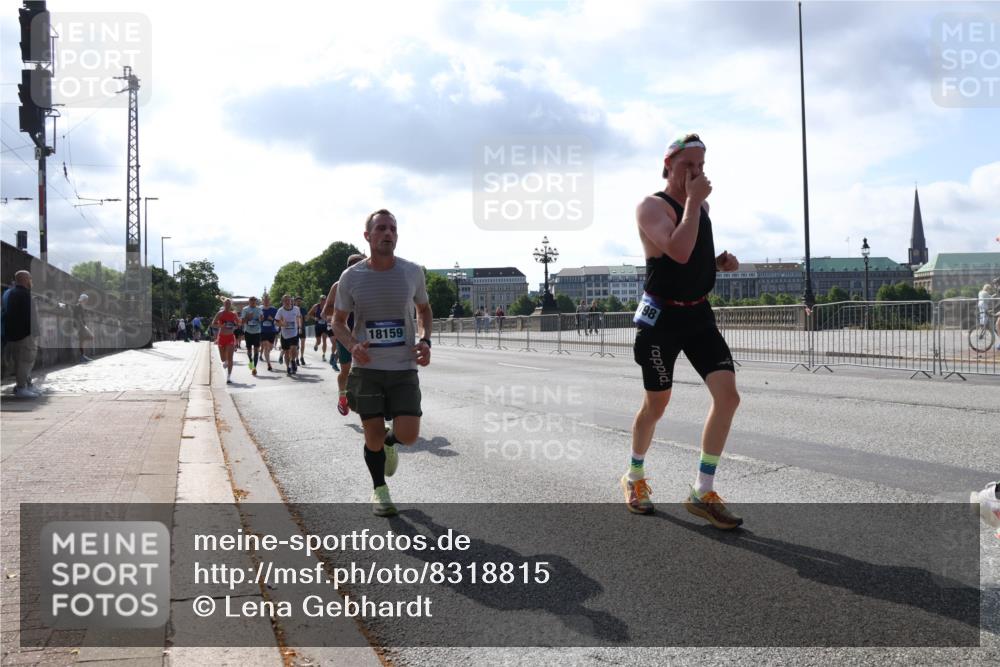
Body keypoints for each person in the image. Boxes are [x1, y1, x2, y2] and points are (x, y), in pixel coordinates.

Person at [624, 133, 742, 529]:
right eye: (687, 166)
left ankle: (701, 490)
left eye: (701, 167)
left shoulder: (701, 205)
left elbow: (692, 254)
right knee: (656, 406)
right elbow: (675, 250)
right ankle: (635, 475)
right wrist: (692, 202)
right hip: (662, 321)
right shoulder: (650, 206)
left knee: (728, 397)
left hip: (697, 316)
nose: (696, 173)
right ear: (668, 166)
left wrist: (716, 263)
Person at [331, 210, 432, 517]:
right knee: (371, 434)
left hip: (403, 367)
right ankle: (380, 490)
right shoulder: (351, 277)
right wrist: (352, 345)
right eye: (381, 228)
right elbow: (337, 321)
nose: (388, 233)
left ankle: (391, 443)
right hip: (368, 369)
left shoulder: (412, 272)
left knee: (410, 434)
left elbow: (424, 310)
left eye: (393, 229)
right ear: (368, 236)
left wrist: (425, 340)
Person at [323, 253, 367, 414]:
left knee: (370, 372)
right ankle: (343, 397)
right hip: (346, 334)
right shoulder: (339, 285)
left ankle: (372, 411)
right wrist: (339, 314)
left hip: (367, 334)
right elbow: (326, 311)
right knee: (346, 370)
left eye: (363, 263)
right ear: (348, 267)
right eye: (356, 264)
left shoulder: (372, 283)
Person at [4, 271, 40, 397]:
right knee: (25, 361)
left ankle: (26, 385)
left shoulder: (10, 293)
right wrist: (35, 333)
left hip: (12, 334)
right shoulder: (24, 294)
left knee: (20, 362)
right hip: (25, 335)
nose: (31, 281)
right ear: (26, 280)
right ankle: (21, 388)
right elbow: (29, 317)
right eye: (30, 279)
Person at [211, 299, 239, 384]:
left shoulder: (233, 314)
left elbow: (238, 324)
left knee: (230, 358)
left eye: (229, 303)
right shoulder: (220, 313)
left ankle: (229, 377)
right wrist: (220, 325)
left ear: (231, 305)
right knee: (223, 359)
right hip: (221, 337)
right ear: (223, 304)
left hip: (230, 337)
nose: (227, 305)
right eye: (226, 303)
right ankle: (225, 361)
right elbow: (213, 324)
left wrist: (235, 326)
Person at [275, 294, 302, 376]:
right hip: (285, 334)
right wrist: (283, 324)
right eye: (285, 300)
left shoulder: (296, 309)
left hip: (294, 333)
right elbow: (276, 322)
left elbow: (298, 318)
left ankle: (293, 361)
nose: (287, 302)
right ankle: (288, 367)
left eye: (289, 300)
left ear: (291, 301)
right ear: (282, 302)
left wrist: (300, 327)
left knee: (294, 348)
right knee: (286, 352)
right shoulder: (280, 310)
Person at [241, 296, 264, 376]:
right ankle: (250, 362)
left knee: (256, 350)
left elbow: (262, 319)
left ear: (256, 302)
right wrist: (248, 317)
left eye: (254, 301)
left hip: (257, 332)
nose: (253, 302)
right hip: (248, 332)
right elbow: (242, 322)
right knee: (249, 351)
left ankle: (254, 368)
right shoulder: (245, 309)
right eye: (251, 301)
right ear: (249, 302)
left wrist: (261, 318)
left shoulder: (259, 309)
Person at [259, 293, 278, 372]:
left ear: (269, 301)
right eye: (265, 300)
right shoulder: (259, 309)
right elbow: (257, 319)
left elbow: (277, 320)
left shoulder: (274, 309)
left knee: (270, 347)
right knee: (266, 346)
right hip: (263, 331)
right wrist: (260, 319)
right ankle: (268, 364)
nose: (266, 301)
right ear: (262, 301)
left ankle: (267, 357)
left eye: (267, 300)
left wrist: (272, 319)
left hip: (271, 331)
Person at [73, 294, 94, 362]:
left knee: (85, 339)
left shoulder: (81, 306)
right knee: (87, 338)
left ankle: (82, 356)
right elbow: (78, 317)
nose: (87, 301)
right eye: (86, 300)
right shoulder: (78, 306)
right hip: (80, 326)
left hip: (82, 325)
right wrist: (83, 327)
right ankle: (82, 356)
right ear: (83, 300)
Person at [294, 296, 308, 365]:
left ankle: (302, 357)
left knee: (302, 344)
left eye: (300, 301)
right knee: (296, 345)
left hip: (303, 328)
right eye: (298, 301)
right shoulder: (293, 309)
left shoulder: (303, 309)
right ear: (295, 302)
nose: (299, 302)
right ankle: (296, 359)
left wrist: (306, 317)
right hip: (295, 329)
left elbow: (306, 319)